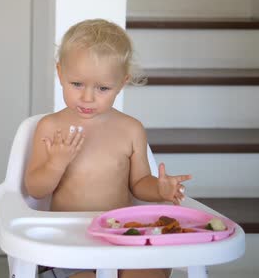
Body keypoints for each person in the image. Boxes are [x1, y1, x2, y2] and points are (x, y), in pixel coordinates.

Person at [24, 19, 191, 278]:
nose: (87, 97)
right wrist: (56, 163)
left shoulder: (130, 129)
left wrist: (158, 189)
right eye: (77, 84)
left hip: (122, 236)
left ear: (122, 83)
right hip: (69, 243)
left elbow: (139, 184)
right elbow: (35, 190)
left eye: (102, 88)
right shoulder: (50, 127)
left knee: (148, 273)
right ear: (60, 73)